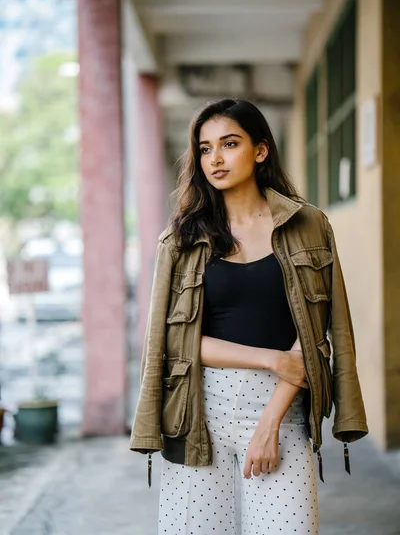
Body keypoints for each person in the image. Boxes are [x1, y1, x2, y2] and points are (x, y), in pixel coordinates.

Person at [130, 98, 368, 535]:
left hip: (284, 411)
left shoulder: (309, 225)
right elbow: (172, 341)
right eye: (204, 148)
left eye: (229, 143)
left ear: (260, 151)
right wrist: (271, 358)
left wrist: (271, 421)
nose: (215, 159)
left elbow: (315, 333)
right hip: (199, 415)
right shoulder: (181, 238)